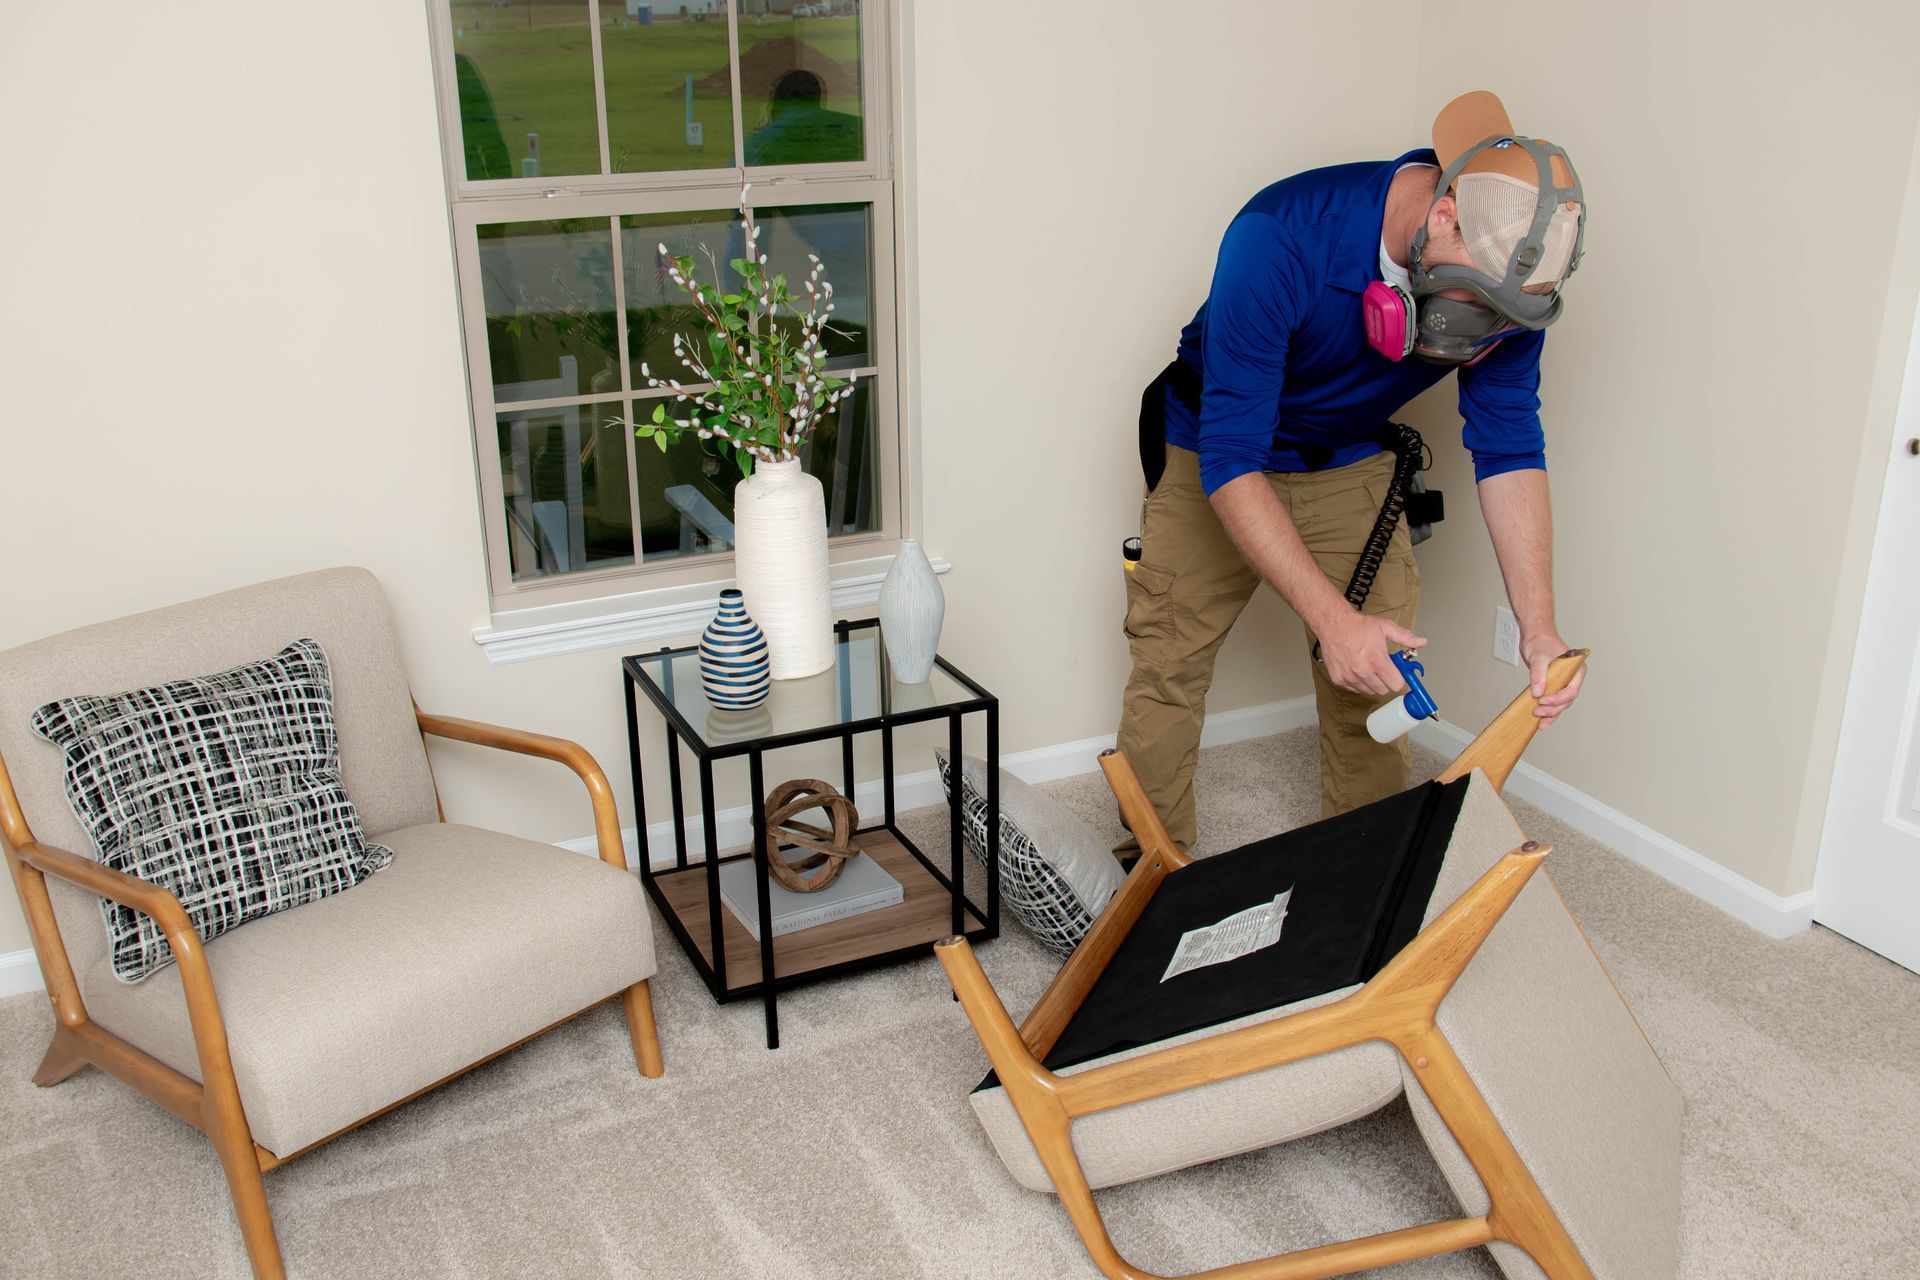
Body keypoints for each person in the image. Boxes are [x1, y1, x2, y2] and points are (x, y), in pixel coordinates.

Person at [1117, 90, 1588, 854]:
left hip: (1348, 456)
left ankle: (1357, 875)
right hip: (1218, 447)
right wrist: (1330, 621)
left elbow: (1508, 444)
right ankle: (1148, 871)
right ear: (1443, 219)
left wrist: (1540, 630)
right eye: (1474, 312)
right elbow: (1234, 457)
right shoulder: (1280, 237)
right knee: (1168, 662)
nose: (1485, 335)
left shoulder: (1508, 288)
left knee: (1375, 669)